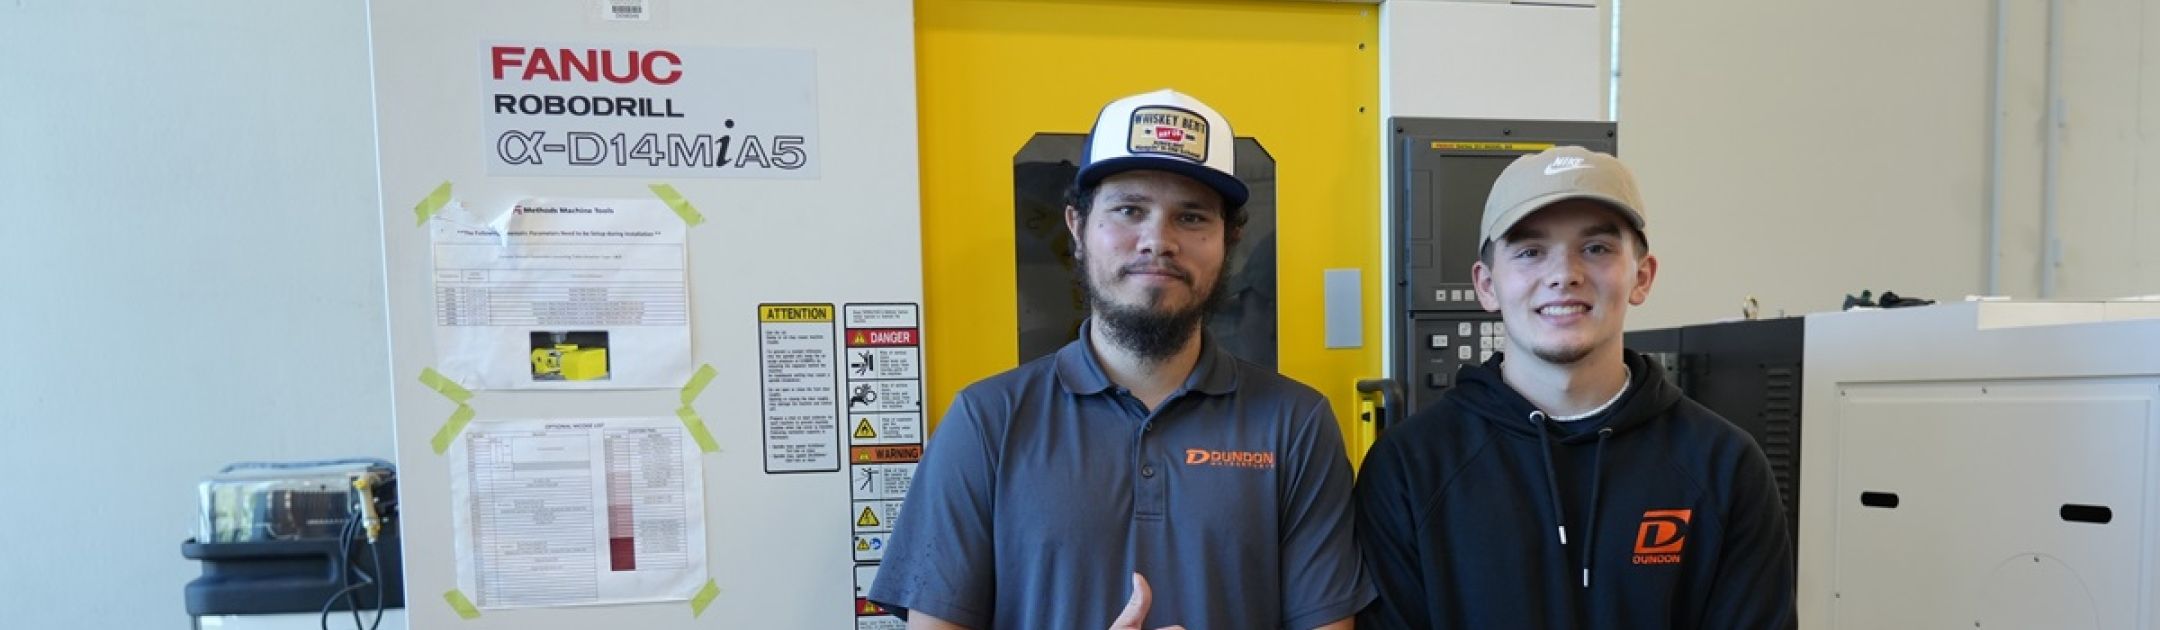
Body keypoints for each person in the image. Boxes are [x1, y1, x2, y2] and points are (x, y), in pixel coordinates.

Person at [869, 88, 1372, 629]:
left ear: (1230, 239)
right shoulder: (988, 422)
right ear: (1077, 228)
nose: (1157, 240)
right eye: (1129, 210)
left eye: (1192, 217)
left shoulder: (1295, 424)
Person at [1354, 147, 1795, 628]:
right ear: (1486, 285)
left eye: (1597, 248)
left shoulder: (1724, 467)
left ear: (1641, 277)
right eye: (1529, 252)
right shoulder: (1409, 469)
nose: (1564, 275)